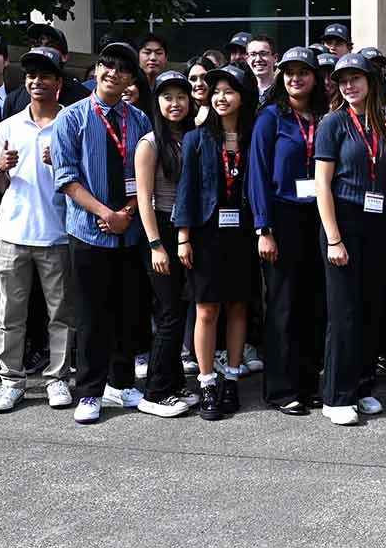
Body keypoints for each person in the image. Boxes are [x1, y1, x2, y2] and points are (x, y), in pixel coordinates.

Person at [51, 41, 153, 425]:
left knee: (129, 309)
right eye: (106, 66)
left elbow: (147, 178)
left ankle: (122, 381)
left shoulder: (139, 120)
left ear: (131, 78)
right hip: (88, 231)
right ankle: (90, 391)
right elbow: (66, 178)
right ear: (96, 70)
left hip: (129, 231)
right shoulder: (72, 117)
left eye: (122, 69)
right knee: (92, 315)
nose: (113, 73)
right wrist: (105, 213)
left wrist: (125, 214)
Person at [0, 47, 77, 413]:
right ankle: (11, 380)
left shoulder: (72, 121)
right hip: (12, 233)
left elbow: (84, 179)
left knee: (61, 314)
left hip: (57, 234)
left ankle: (57, 378)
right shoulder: (7, 126)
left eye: (45, 76)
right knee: (10, 314)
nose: (37, 82)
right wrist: (1, 169)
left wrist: (60, 162)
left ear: (58, 82)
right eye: (31, 76)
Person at [315, 53, 386, 425]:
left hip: (378, 224)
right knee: (343, 312)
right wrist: (333, 238)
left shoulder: (385, 122)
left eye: (356, 78)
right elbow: (322, 185)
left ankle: (362, 387)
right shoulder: (333, 123)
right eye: (342, 80)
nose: (349, 86)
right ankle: (336, 395)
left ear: (370, 81)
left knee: (369, 309)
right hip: (342, 222)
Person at [176, 62, 258, 420]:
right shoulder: (196, 138)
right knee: (207, 307)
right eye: (217, 91)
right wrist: (183, 238)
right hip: (207, 233)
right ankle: (207, 380)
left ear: (243, 97)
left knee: (239, 305)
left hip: (243, 233)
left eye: (229, 91)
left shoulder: (254, 135)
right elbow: (187, 191)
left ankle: (232, 376)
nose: (222, 98)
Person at [249, 48, 328, 416]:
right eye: (290, 72)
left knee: (313, 303)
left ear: (315, 78)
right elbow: (259, 174)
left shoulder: (324, 117)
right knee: (282, 304)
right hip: (281, 218)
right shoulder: (271, 117)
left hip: (318, 216)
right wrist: (263, 228)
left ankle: (309, 382)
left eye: (303, 72)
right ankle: (281, 389)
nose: (296, 78)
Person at [133, 70, 201, 418]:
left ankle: (174, 385)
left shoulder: (192, 136)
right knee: (170, 313)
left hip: (188, 228)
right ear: (156, 103)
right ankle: (155, 392)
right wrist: (156, 244)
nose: (175, 104)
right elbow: (143, 198)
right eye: (167, 97)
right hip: (160, 231)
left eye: (181, 97)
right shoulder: (150, 142)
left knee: (178, 309)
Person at [1, 23, 91, 118]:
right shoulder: (14, 100)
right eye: (37, 44)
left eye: (50, 46)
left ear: (65, 57)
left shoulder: (83, 98)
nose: (42, 50)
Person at [246, 34, 279, 102]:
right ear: (247, 59)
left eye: (263, 54)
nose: (258, 59)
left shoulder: (285, 91)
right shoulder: (242, 91)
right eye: (253, 54)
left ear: (275, 58)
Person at [188, 56, 216, 125]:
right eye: (193, 79)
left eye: (204, 77)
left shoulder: (223, 109)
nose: (199, 83)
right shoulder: (182, 111)